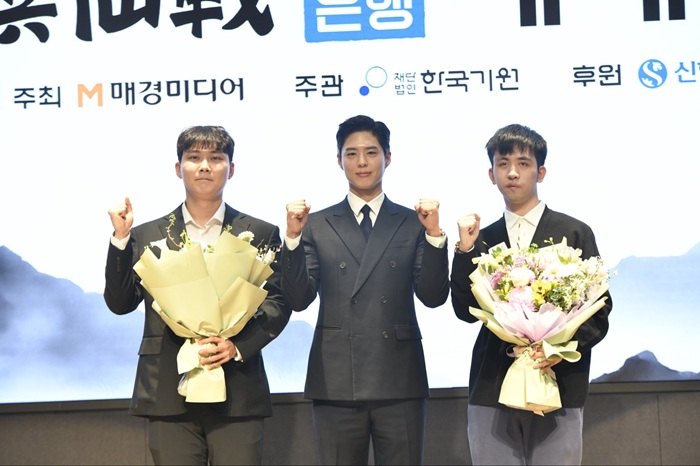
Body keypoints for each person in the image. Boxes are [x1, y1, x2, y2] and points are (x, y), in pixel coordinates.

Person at [104, 125, 290, 465]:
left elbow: (278, 301)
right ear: (179, 168)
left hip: (238, 389)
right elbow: (120, 303)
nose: (205, 166)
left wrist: (238, 345)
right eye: (194, 158)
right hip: (167, 388)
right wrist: (120, 239)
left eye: (216, 158)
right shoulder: (146, 234)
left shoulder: (261, 233)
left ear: (231, 169)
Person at [280, 114, 450, 465]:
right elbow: (298, 299)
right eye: (351, 153)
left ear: (388, 157)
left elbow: (433, 297)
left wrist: (435, 236)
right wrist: (292, 239)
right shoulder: (316, 224)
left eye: (371, 153)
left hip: (400, 376)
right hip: (336, 378)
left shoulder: (413, 222)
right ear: (338, 160)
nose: (362, 162)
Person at [450, 123, 613, 465]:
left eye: (523, 163)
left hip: (559, 386)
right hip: (493, 386)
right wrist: (464, 252)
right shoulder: (481, 238)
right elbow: (465, 311)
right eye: (503, 164)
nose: (512, 172)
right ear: (491, 174)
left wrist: (559, 349)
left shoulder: (574, 232)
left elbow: (599, 310)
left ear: (541, 172)